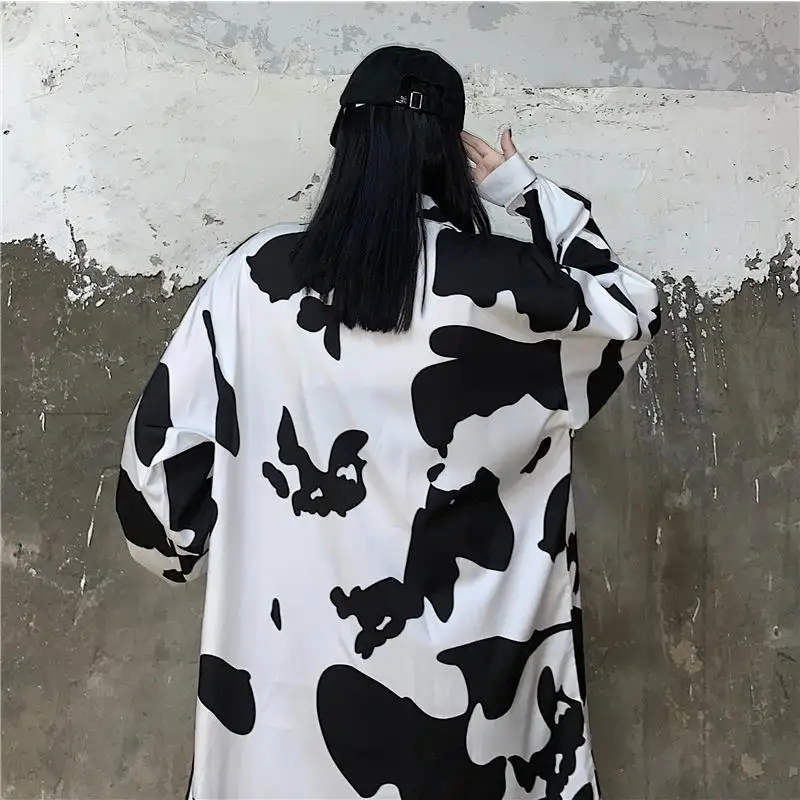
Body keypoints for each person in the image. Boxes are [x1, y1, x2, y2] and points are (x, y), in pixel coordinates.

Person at [116, 45, 660, 800]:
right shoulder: (509, 290)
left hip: (281, 721)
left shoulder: (253, 282)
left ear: (347, 146)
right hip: (465, 728)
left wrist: (205, 538)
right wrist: (525, 191)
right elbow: (629, 309)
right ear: (450, 157)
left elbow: (158, 499)